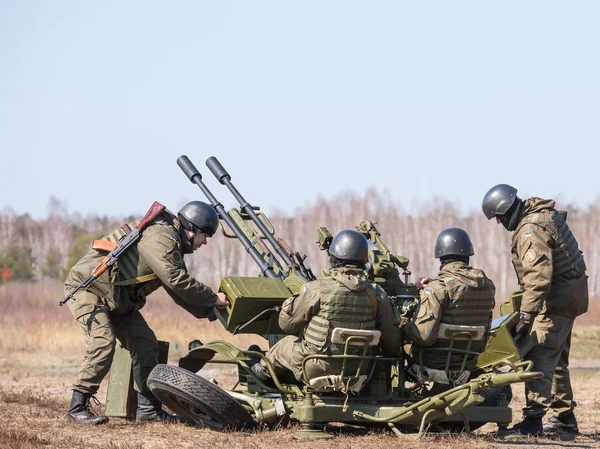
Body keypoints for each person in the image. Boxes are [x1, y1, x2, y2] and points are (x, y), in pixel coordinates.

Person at [64, 201, 229, 425]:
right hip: (89, 289)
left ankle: (148, 410)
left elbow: (177, 291)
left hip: (119, 300)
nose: (206, 242)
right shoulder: (161, 236)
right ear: (193, 229)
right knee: (103, 343)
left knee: (146, 345)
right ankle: (77, 407)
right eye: (206, 235)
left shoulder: (172, 244)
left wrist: (213, 310)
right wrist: (212, 297)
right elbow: (176, 280)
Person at [482, 184, 588, 436]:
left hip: (557, 301)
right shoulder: (540, 215)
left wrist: (526, 315)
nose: (498, 223)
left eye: (498, 218)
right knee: (556, 357)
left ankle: (533, 422)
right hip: (568, 296)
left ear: (506, 211)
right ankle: (564, 418)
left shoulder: (529, 230)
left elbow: (539, 278)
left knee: (540, 354)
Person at [252, 229, 402, 385]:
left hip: (315, 367)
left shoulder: (317, 289)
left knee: (286, 344)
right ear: (364, 260)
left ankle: (262, 373)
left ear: (334, 258)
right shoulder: (378, 294)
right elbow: (391, 342)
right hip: (360, 370)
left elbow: (286, 324)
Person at [402, 228, 496, 386]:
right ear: (467, 255)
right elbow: (459, 290)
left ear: (441, 256)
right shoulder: (488, 286)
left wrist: (403, 322)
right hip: (465, 368)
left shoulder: (437, 289)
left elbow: (423, 337)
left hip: (431, 367)